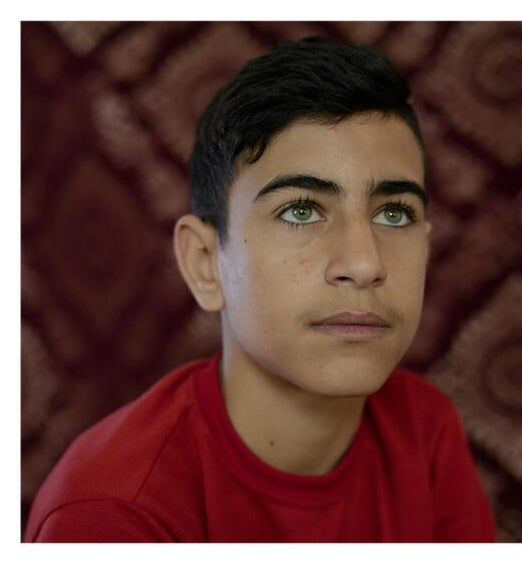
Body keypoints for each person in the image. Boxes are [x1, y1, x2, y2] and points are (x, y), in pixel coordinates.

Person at [24, 37, 496, 542]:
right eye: (300, 210)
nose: (364, 263)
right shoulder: (111, 513)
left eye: (394, 212)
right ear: (205, 263)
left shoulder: (423, 430)